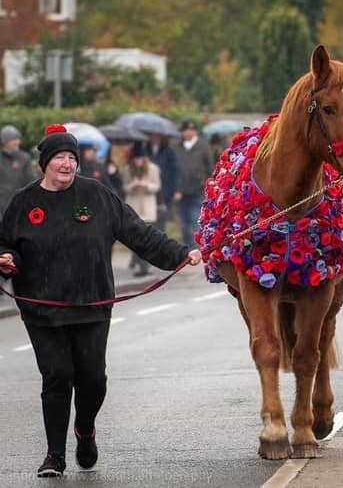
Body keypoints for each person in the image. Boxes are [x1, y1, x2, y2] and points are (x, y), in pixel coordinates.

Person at [0, 125, 201, 478]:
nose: (67, 164)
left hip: (91, 304)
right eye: (60, 157)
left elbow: (139, 233)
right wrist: (6, 259)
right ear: (45, 162)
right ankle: (54, 455)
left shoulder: (97, 196)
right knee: (57, 377)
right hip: (41, 309)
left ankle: (85, 429)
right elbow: (5, 244)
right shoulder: (23, 203)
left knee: (93, 380)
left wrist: (180, 254)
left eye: (72, 157)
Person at [121, 142, 161, 276]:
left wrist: (146, 186)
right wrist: (133, 185)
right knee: (134, 237)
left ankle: (145, 264)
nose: (138, 162)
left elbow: (156, 186)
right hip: (133, 206)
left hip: (148, 206)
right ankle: (139, 263)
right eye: (136, 159)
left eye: (140, 159)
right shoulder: (127, 169)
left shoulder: (153, 168)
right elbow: (125, 187)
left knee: (147, 237)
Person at [172, 119, 215, 245]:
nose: (189, 133)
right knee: (184, 223)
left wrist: (209, 185)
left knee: (194, 221)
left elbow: (210, 167)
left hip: (198, 190)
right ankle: (187, 247)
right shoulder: (176, 146)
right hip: (181, 191)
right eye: (186, 130)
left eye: (191, 130)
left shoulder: (203, 146)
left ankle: (195, 248)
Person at [146, 133, 181, 233]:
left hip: (165, 189)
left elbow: (175, 171)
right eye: (153, 136)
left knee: (161, 219)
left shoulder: (169, 151)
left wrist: (177, 189)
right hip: (151, 189)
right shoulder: (146, 150)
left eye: (157, 136)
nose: (155, 138)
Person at [1, 124, 39, 216]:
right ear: (5, 141)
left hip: (19, 205)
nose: (17, 142)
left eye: (18, 139)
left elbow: (32, 181)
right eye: (13, 140)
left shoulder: (24, 158)